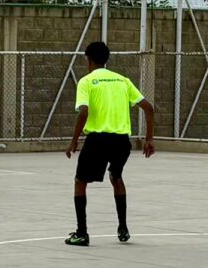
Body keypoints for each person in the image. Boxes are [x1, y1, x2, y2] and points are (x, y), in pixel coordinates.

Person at [65, 41, 155, 246]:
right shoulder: (123, 80)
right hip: (122, 141)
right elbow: (149, 108)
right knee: (116, 177)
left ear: (88, 59)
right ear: (106, 59)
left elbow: (84, 112)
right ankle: (123, 227)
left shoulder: (87, 82)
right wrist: (149, 139)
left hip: (98, 140)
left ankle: (82, 233)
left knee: (80, 181)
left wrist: (73, 141)